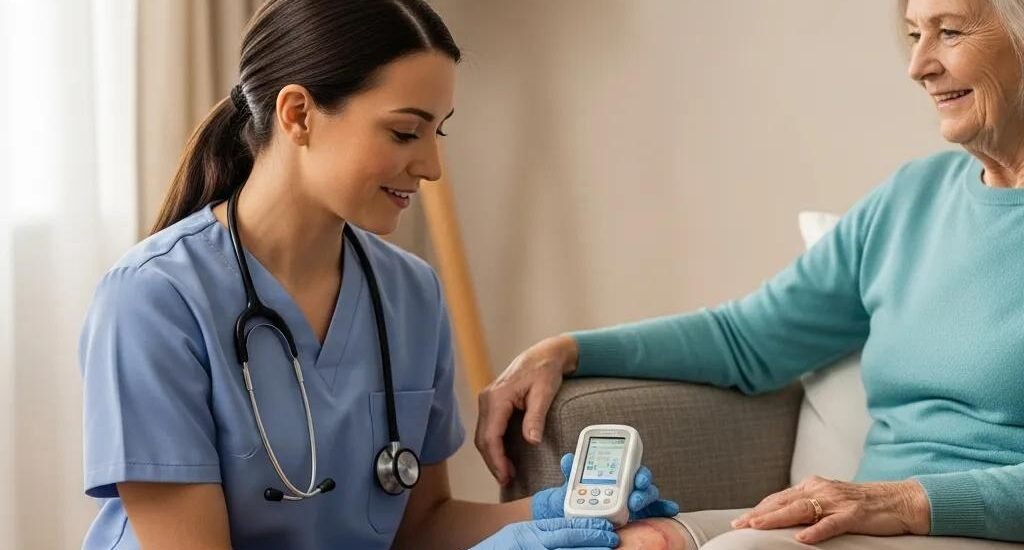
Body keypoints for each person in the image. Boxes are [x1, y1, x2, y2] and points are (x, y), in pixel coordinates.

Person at [78, 1, 677, 548]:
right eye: (404, 132)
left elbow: (421, 527)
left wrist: (547, 514)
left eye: (438, 132)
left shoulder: (411, 293)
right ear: (298, 115)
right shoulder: (153, 299)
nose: (432, 166)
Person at [476, 0, 1024, 548]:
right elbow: (746, 341)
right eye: (914, 35)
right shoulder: (911, 200)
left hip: (971, 527)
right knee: (620, 542)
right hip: (863, 521)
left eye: (950, 32)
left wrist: (906, 501)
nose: (918, 66)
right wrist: (569, 350)